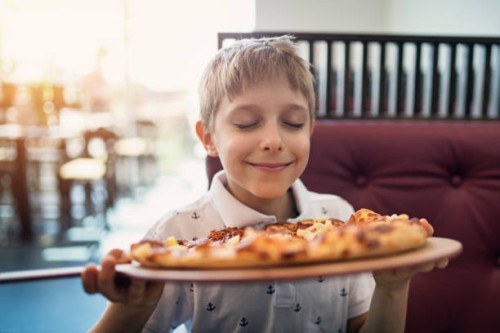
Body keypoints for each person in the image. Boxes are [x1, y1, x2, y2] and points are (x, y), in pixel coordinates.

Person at [81, 35, 449, 333]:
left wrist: (392, 286)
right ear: (208, 138)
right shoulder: (175, 236)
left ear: (311, 131)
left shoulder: (342, 220)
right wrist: (130, 310)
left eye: (292, 122)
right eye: (245, 123)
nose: (274, 140)